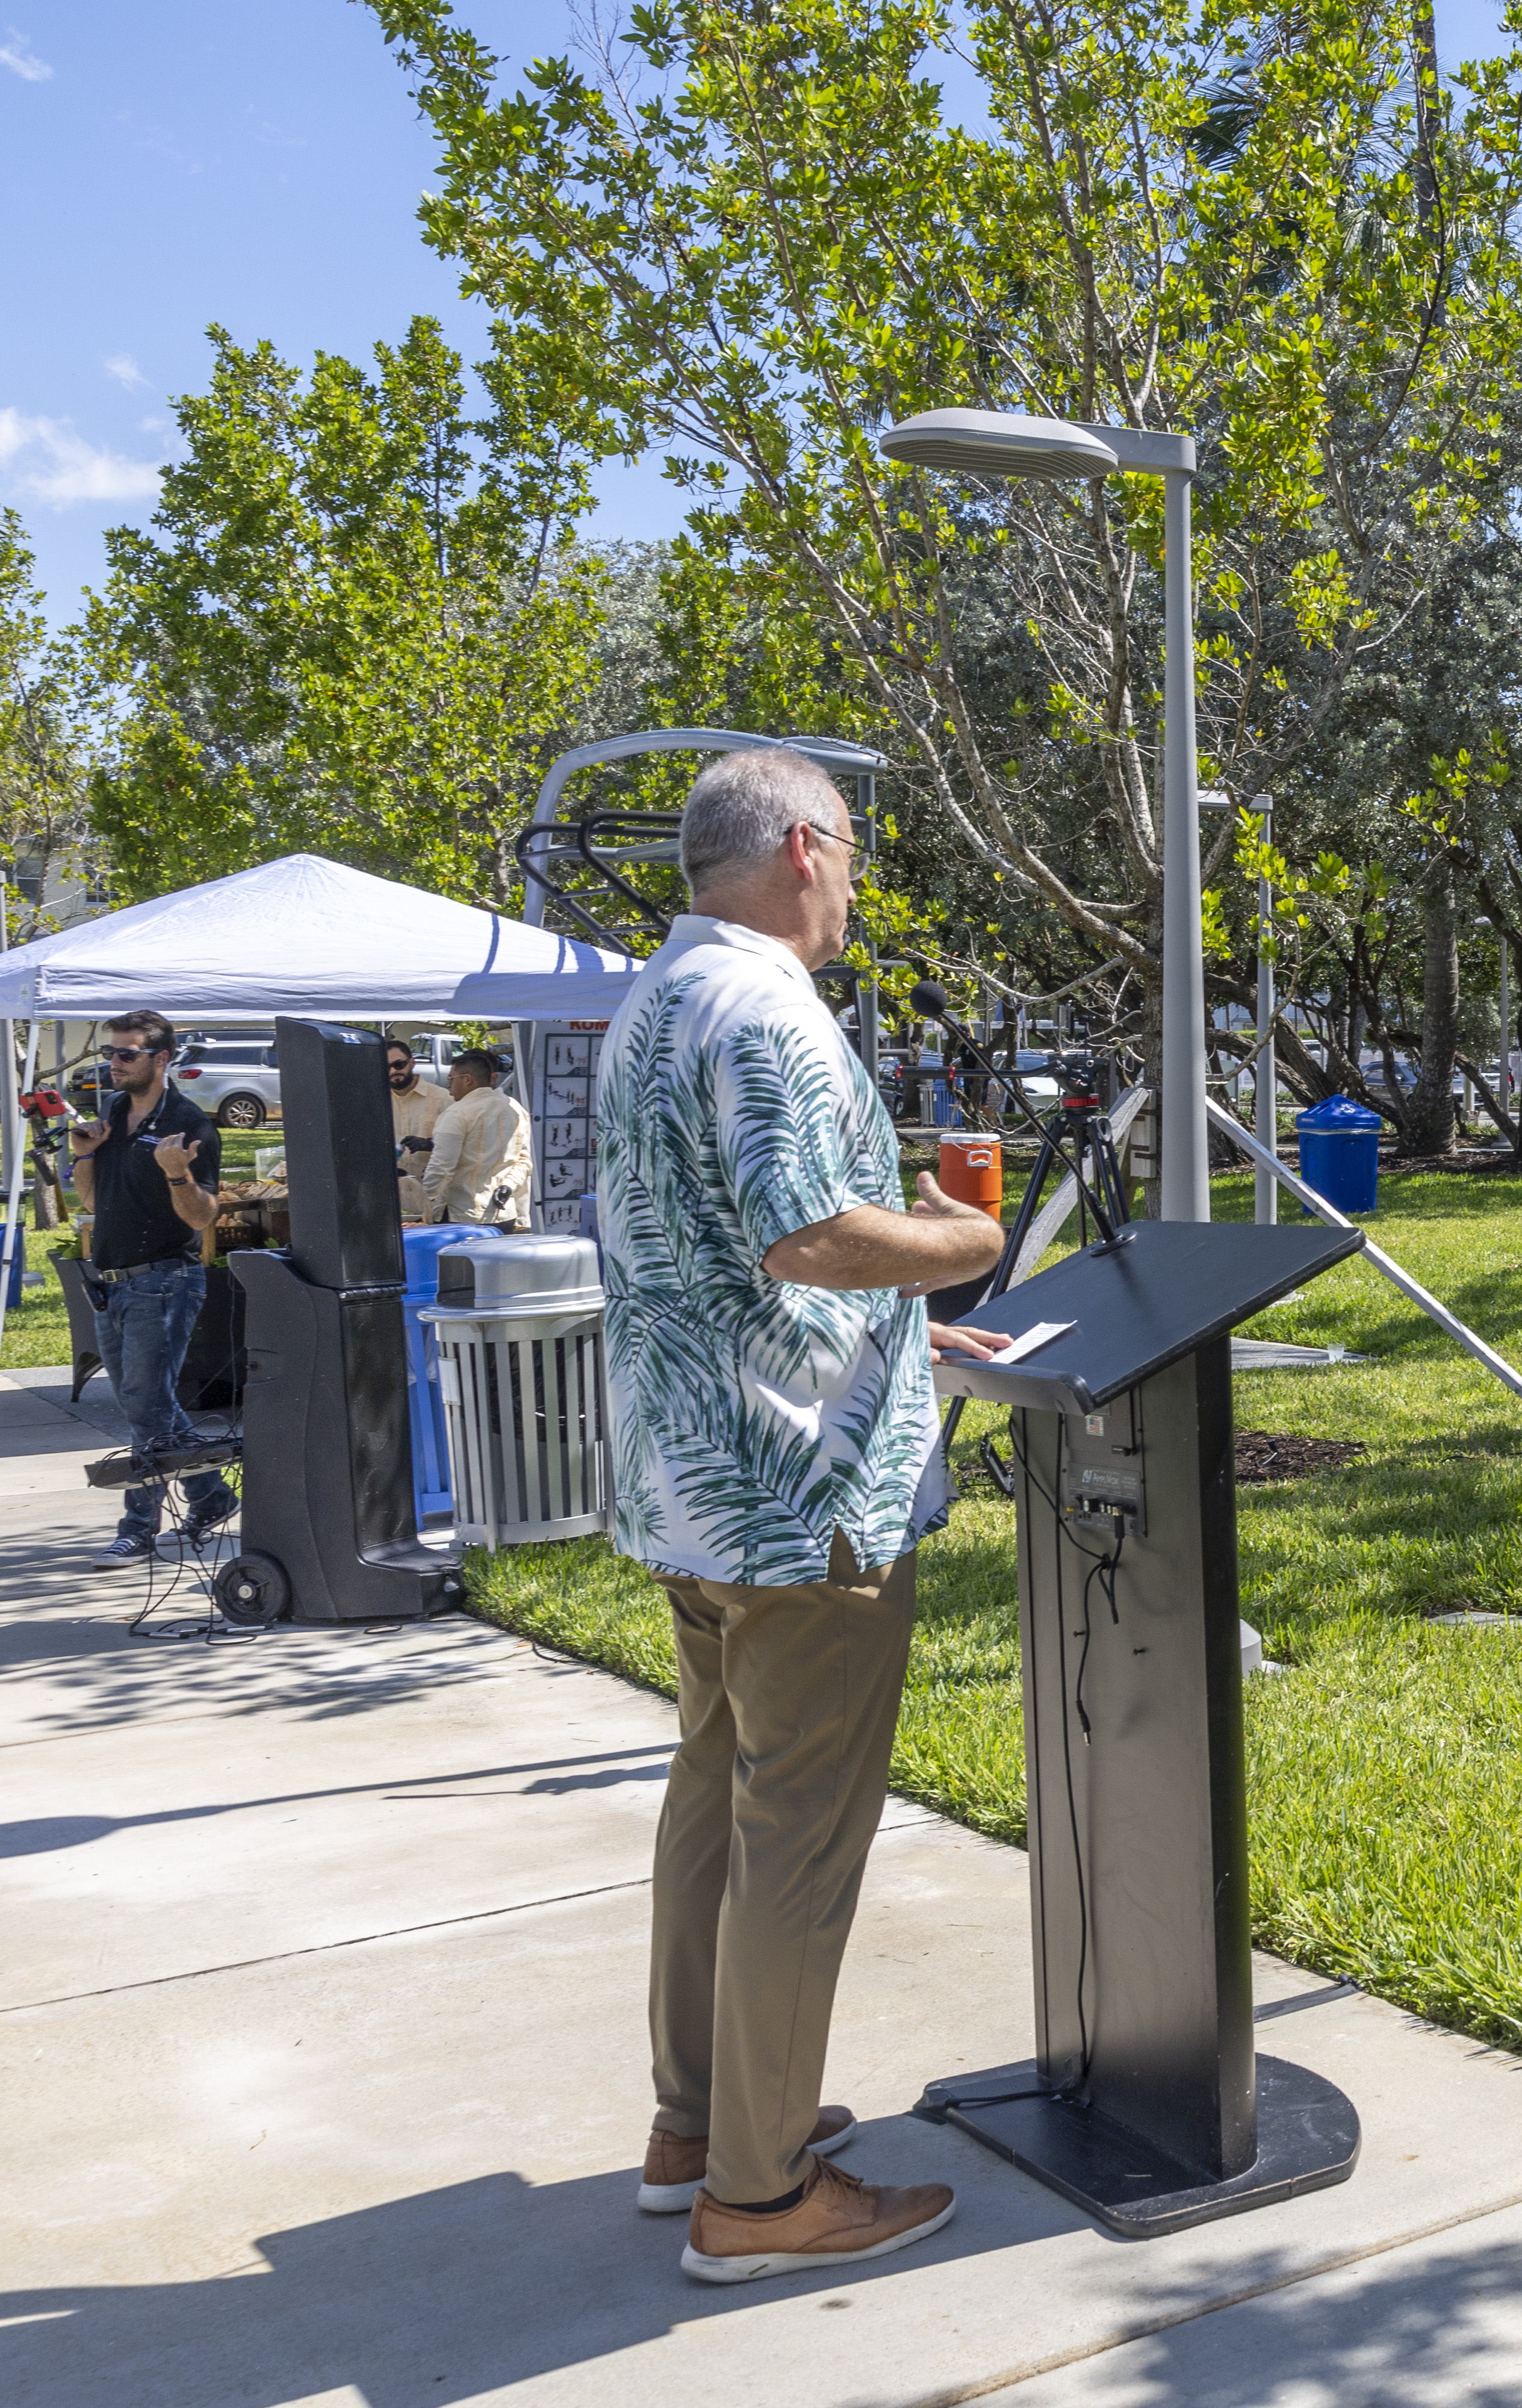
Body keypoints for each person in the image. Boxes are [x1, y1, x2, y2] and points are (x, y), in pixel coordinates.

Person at [598, 745, 1007, 2281]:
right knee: (799, 1838)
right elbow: (812, 1232)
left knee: (712, 1803)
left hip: (695, 1488)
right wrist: (956, 1248)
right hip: (802, 1500)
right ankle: (760, 2202)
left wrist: (913, 1326)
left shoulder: (659, 994)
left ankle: (698, 2127)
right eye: (847, 852)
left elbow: (716, 1240)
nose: (853, 883)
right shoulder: (769, 1006)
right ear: (797, 847)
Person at [70, 1009, 237, 1566]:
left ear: (160, 1059)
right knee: (150, 1403)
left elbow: (201, 1217)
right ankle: (212, 1494)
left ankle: (139, 1528)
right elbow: (91, 1203)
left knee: (145, 1406)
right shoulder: (114, 1112)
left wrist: (175, 1172)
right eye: (111, 1054)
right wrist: (85, 1155)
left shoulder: (190, 1126)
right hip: (112, 1282)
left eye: (127, 1054)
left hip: (165, 1282)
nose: (114, 1064)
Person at [418, 1048, 534, 1228]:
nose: (448, 1086)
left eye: (451, 1079)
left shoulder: (457, 1113)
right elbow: (524, 1163)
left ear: (467, 1080)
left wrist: (421, 1206)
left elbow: (441, 1167)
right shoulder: (516, 1109)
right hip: (503, 1214)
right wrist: (508, 1187)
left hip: (463, 1217)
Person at [385, 1038, 448, 1190]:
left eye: (399, 1065)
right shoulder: (377, 1101)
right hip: (394, 1191)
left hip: (433, 1192)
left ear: (412, 1063)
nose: (393, 1071)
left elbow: (462, 1143)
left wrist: (429, 1144)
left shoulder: (443, 1098)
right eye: (386, 1067)